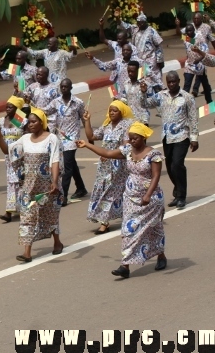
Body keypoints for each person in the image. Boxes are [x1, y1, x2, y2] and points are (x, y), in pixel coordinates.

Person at [76, 122, 167, 278]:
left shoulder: (154, 155)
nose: (132, 141)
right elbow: (107, 153)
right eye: (130, 138)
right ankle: (125, 265)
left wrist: (148, 195)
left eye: (135, 138)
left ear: (143, 138)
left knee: (153, 228)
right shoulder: (127, 151)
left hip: (151, 199)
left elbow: (156, 176)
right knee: (128, 230)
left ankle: (161, 255)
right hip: (131, 197)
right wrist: (87, 145)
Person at [0, 108, 64, 262]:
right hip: (28, 186)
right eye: (29, 122)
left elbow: (55, 161)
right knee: (27, 217)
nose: (31, 124)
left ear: (42, 122)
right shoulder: (25, 139)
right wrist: (0, 137)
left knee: (50, 215)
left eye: (34, 121)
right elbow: (8, 150)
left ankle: (57, 242)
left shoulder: (52, 139)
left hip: (47, 186)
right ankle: (27, 252)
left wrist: (54, 182)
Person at [140, 72, 199, 209]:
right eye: (169, 82)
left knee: (177, 165)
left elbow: (193, 119)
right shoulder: (162, 96)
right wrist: (143, 93)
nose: (171, 84)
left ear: (179, 81)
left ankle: (182, 196)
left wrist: (194, 138)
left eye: (174, 82)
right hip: (167, 137)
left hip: (182, 136)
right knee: (170, 167)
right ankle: (177, 192)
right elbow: (145, 104)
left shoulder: (187, 98)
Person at [82, 101, 134, 234]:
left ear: (121, 112)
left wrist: (110, 154)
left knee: (113, 193)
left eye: (115, 111)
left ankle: (105, 223)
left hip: (119, 167)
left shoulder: (126, 126)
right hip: (104, 167)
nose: (111, 113)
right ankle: (106, 219)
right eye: (110, 110)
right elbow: (91, 136)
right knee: (102, 191)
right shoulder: (107, 125)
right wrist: (87, 121)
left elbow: (126, 147)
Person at [43, 79, 87, 206]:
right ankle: (81, 187)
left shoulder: (78, 103)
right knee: (71, 163)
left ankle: (63, 195)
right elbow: (45, 111)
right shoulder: (56, 102)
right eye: (62, 87)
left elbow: (84, 118)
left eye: (66, 87)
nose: (64, 89)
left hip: (72, 138)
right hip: (59, 138)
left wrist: (89, 138)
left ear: (71, 87)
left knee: (66, 167)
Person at [0, 96, 27, 223]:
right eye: (7, 106)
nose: (8, 108)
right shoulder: (1, 121)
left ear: (17, 109)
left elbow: (27, 138)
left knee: (21, 182)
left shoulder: (22, 121)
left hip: (21, 156)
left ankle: (20, 209)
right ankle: (10, 211)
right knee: (12, 182)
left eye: (11, 107)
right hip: (8, 157)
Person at [118, 13, 164, 90]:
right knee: (141, 80)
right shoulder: (135, 29)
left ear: (144, 22)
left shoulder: (152, 31)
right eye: (137, 22)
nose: (138, 24)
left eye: (140, 22)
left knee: (152, 79)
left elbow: (158, 46)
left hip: (150, 60)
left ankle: (157, 92)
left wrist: (160, 60)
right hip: (138, 61)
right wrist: (117, 18)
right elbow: (125, 26)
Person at [175, 21, 212, 104]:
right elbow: (178, 34)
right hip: (190, 66)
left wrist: (198, 59)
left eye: (190, 31)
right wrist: (177, 25)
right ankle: (182, 105)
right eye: (187, 31)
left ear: (193, 30)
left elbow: (205, 52)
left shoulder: (200, 39)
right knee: (187, 85)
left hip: (200, 65)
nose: (188, 33)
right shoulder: (187, 38)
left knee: (205, 86)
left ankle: (209, 102)